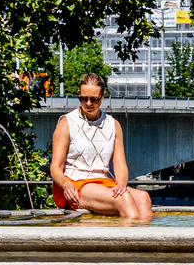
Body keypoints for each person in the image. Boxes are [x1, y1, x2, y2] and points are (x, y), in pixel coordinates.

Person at [48, 73, 153, 219]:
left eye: (94, 99)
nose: (88, 103)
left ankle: (147, 240)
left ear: (102, 96)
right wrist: (66, 184)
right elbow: (55, 168)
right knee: (124, 199)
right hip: (73, 185)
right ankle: (131, 239)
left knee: (143, 197)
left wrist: (121, 184)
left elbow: (120, 165)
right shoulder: (67, 123)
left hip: (102, 183)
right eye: (84, 98)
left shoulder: (113, 125)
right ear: (79, 95)